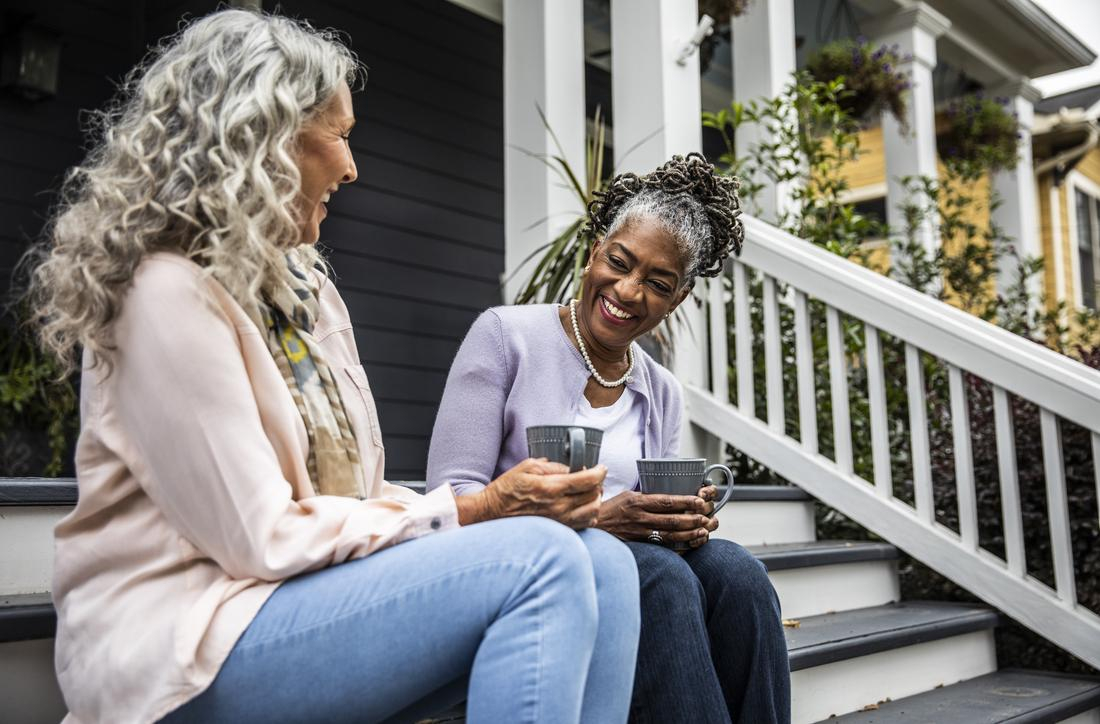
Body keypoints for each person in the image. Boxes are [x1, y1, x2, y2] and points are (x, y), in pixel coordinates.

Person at [26, 10, 640, 723]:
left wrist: (482, 510)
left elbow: (360, 491)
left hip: (297, 602)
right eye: (340, 134)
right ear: (261, 136)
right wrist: (475, 508)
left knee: (605, 562)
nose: (351, 166)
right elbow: (260, 538)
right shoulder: (166, 292)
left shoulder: (304, 290)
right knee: (540, 560)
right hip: (182, 644)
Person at [427, 154, 791, 723]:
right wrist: (598, 520)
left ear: (678, 298)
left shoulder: (662, 390)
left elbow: (651, 519)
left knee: (738, 574)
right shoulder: (504, 336)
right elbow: (451, 502)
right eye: (619, 262)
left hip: (635, 572)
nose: (627, 289)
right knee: (660, 577)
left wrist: (680, 520)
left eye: (657, 283)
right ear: (595, 248)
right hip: (522, 568)